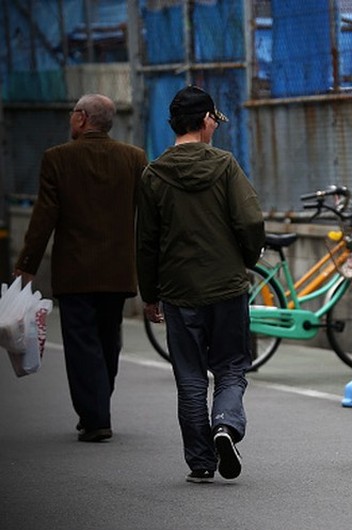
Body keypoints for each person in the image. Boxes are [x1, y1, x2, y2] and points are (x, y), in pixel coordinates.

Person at [136, 85, 265, 483]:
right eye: (214, 120)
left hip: (178, 291)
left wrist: (150, 294)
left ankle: (200, 462)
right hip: (226, 286)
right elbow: (250, 221)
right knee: (230, 367)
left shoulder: (154, 174)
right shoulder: (225, 166)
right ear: (207, 120)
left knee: (190, 376)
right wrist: (245, 258)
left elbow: (146, 242)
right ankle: (225, 425)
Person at [14, 94, 147, 443]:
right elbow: (147, 217)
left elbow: (45, 217)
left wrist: (27, 265)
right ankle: (97, 408)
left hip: (75, 271)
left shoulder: (58, 159)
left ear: (83, 119)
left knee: (81, 343)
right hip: (118, 271)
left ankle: (95, 416)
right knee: (108, 341)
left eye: (73, 113)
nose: (71, 119)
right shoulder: (133, 158)